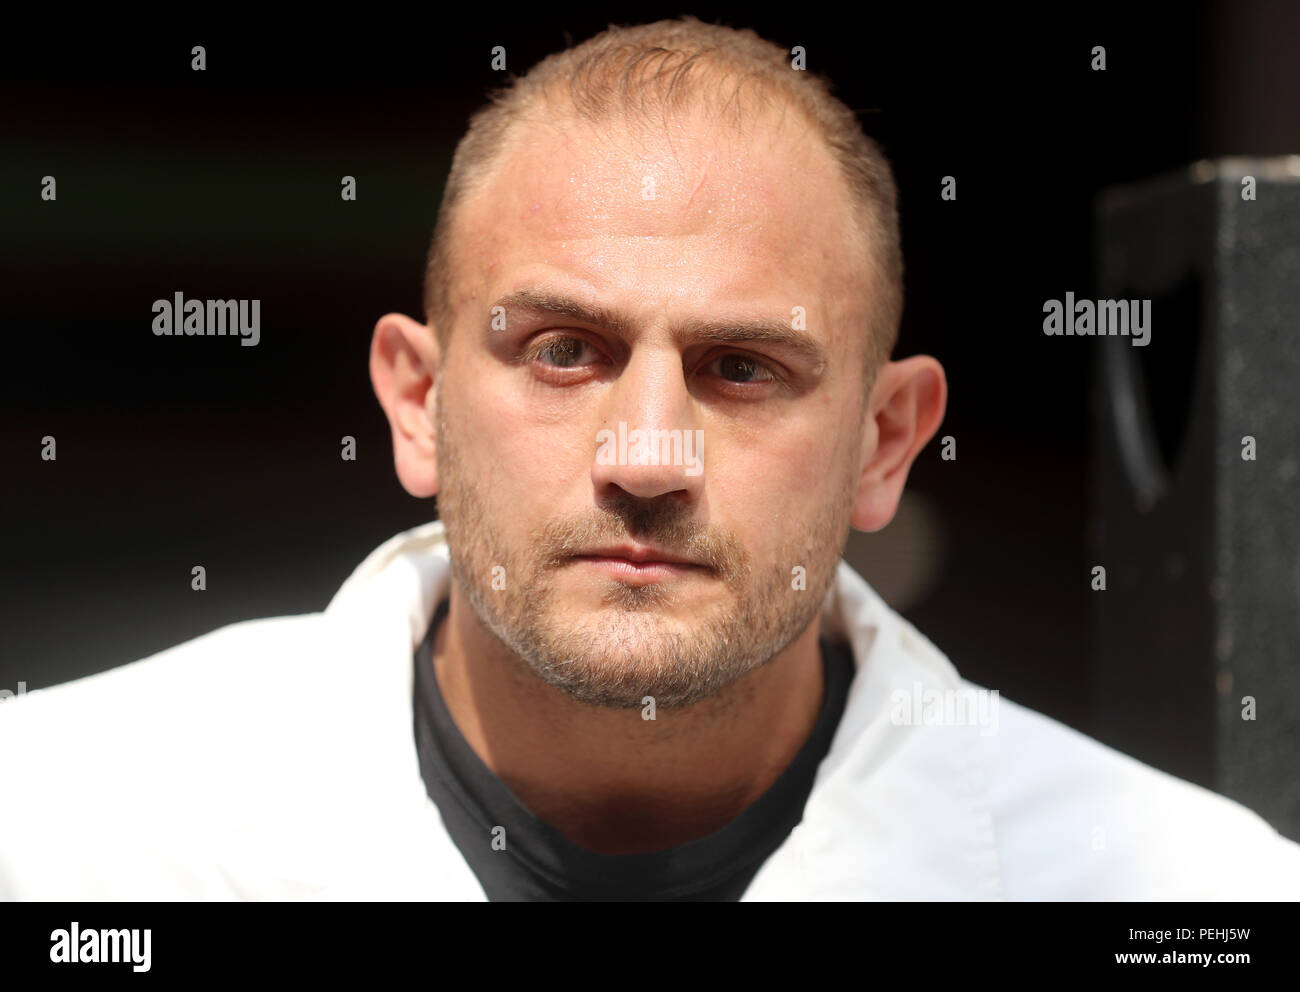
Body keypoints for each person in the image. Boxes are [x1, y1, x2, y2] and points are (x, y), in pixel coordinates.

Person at [1, 16, 1296, 900]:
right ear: (417, 402)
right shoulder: (62, 825)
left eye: (745, 368)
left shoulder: (1186, 890)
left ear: (883, 442)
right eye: (564, 351)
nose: (647, 454)